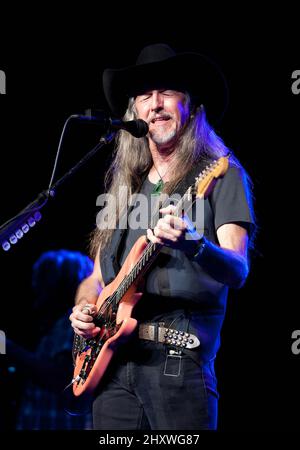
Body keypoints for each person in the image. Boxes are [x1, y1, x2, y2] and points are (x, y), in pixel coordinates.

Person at [69, 43, 256, 430]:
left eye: (167, 92)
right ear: (134, 111)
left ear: (190, 105)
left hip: (177, 364)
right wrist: (85, 310)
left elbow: (238, 269)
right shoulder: (125, 191)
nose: (155, 104)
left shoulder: (220, 176)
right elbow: (96, 278)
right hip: (113, 366)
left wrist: (195, 244)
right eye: (144, 95)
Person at [6, 249, 94, 430]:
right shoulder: (52, 324)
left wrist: (7, 348)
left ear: (62, 284)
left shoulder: (75, 323)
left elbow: (61, 377)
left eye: (43, 279)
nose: (34, 285)